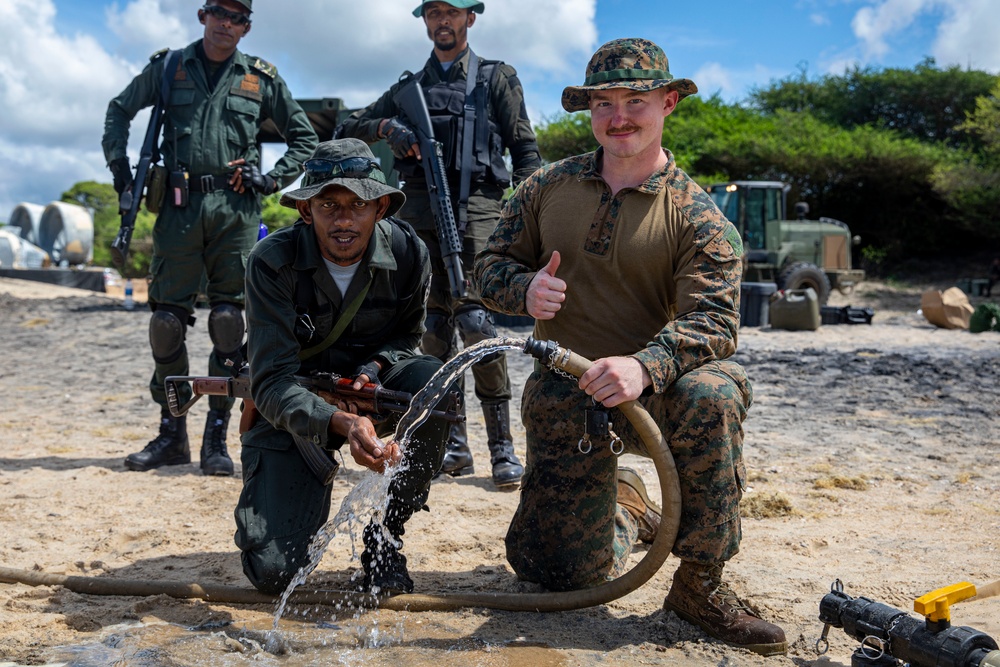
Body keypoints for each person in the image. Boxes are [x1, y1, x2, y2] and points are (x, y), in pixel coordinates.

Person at [473, 38, 787, 656]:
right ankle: (623, 507)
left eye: (636, 100)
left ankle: (700, 583)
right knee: (549, 570)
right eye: (604, 102)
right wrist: (522, 289)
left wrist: (645, 366)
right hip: (567, 392)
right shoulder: (544, 188)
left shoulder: (700, 218)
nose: (619, 116)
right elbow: (485, 270)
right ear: (588, 111)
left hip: (665, 395)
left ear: (668, 103)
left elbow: (716, 324)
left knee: (715, 390)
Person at [102, 0, 318, 477]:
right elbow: (118, 110)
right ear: (203, 16)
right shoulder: (169, 67)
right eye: (220, 12)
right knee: (165, 322)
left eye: (238, 17)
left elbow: (303, 138)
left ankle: (216, 437)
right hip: (178, 207)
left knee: (227, 321)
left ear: (247, 27)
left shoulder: (260, 77)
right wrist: (118, 165)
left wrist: (271, 178)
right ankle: (171, 431)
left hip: (235, 211)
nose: (227, 23)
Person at [337, 0, 541, 490]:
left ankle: (502, 447)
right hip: (419, 222)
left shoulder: (496, 78)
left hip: (480, 217)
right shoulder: (412, 87)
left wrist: (529, 218)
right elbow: (348, 127)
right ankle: (454, 443)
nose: (442, 22)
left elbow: (526, 154)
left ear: (470, 18)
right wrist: (387, 128)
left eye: (451, 13)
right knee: (431, 332)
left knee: (476, 325)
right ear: (425, 21)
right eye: (433, 14)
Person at [234, 138, 452, 596]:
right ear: (306, 210)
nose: (344, 218)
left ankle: (385, 535)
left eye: (359, 204)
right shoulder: (271, 262)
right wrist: (340, 421)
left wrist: (372, 368)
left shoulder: (410, 253)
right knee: (274, 574)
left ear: (381, 208)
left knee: (435, 381)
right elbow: (270, 381)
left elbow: (407, 340)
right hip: (294, 406)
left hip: (373, 391)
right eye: (329, 204)